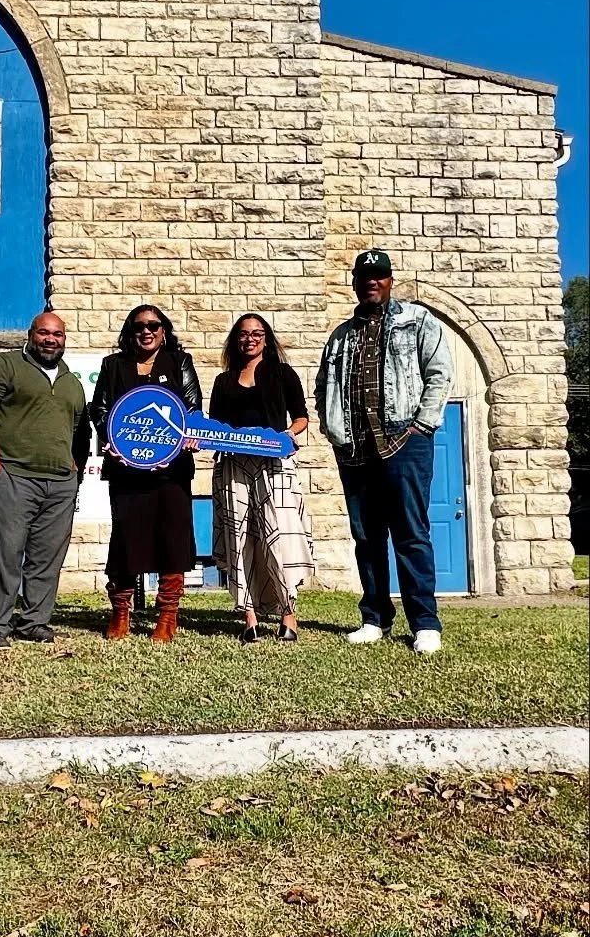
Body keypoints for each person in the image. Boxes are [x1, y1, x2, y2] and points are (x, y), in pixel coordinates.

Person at [315, 249, 455, 655]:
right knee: (367, 538)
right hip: (356, 450)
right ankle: (374, 617)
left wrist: (421, 426)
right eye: (364, 276)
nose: (371, 282)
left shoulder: (417, 321)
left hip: (404, 443)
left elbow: (439, 372)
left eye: (379, 275)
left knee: (411, 534)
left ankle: (425, 623)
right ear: (355, 282)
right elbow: (324, 385)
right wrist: (333, 429)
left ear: (390, 280)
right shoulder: (340, 335)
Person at [0, 311, 90, 652]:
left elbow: (80, 430)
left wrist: (75, 468)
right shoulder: (4, 365)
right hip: (15, 477)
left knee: (47, 557)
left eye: (58, 335)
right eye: (44, 333)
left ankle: (34, 622)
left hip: (60, 484)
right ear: (31, 334)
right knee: (7, 554)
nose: (51, 339)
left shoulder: (70, 381)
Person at [87, 305, 201, 643]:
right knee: (125, 540)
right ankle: (120, 611)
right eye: (139, 326)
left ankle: (167, 616)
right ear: (130, 331)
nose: (146, 331)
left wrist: (188, 437)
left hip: (172, 469)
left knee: (173, 539)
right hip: (127, 469)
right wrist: (112, 441)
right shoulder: (113, 364)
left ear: (164, 330)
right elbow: (101, 410)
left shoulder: (180, 362)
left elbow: (192, 407)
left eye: (154, 325)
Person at [209, 314, 315, 644]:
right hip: (234, 466)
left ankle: (288, 616)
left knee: (281, 537)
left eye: (257, 333)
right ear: (235, 340)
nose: (250, 339)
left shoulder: (283, 374)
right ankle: (249, 618)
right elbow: (216, 427)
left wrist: (283, 436)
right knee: (240, 538)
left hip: (275, 465)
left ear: (266, 339)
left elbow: (301, 418)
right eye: (243, 334)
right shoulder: (223, 382)